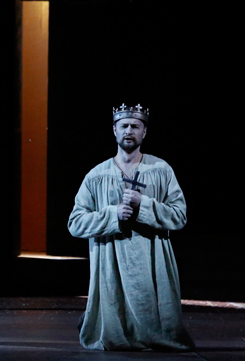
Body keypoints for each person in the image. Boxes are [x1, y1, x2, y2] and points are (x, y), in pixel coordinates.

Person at [68, 103, 195, 351]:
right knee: (115, 309)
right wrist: (112, 214)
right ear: (114, 130)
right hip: (111, 260)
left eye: (135, 126)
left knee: (151, 310)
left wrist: (144, 205)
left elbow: (179, 216)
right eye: (124, 126)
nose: (129, 130)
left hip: (150, 259)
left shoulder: (160, 170)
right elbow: (75, 223)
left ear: (144, 132)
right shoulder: (97, 175)